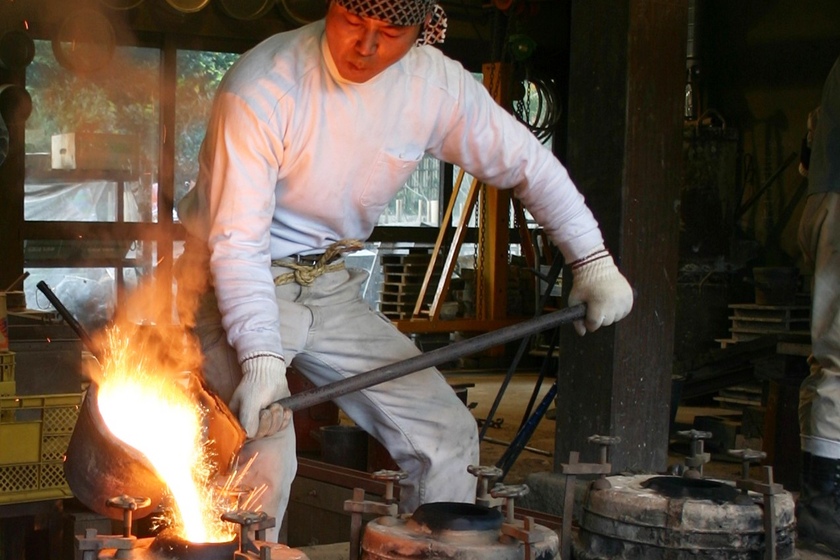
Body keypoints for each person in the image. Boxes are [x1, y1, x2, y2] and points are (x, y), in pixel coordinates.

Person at [175, 0, 634, 541]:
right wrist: (259, 359)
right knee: (263, 444)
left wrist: (592, 258)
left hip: (327, 284)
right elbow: (238, 243)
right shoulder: (264, 88)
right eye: (354, 23)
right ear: (332, 6)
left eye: (390, 31)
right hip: (232, 279)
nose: (366, 46)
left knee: (445, 433)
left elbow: (526, 163)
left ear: (422, 28)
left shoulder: (433, 87)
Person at [797, 53, 840, 554]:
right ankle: (822, 506)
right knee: (838, 360)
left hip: (827, 199)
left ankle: (823, 499)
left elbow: (809, 149)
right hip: (837, 205)